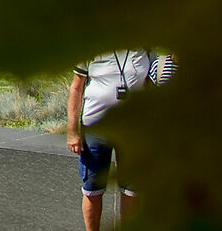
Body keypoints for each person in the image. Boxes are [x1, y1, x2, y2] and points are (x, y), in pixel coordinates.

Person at [66, 49, 176, 231]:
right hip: (96, 128)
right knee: (92, 189)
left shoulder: (145, 47)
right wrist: (72, 131)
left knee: (132, 190)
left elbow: (153, 83)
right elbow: (76, 88)